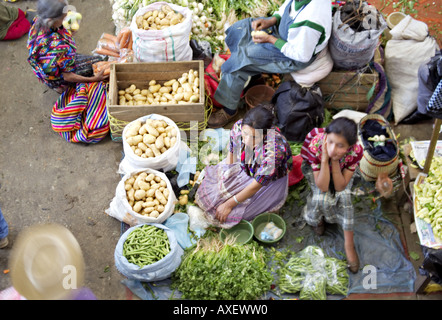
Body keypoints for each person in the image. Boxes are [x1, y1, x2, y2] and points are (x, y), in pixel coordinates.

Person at [207, 0, 332, 128]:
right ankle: (253, 79)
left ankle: (229, 111)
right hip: (284, 35)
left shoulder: (311, 19)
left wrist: (270, 39)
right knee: (242, 28)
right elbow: (287, 8)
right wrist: (271, 20)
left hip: (291, 54)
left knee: (237, 65)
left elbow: (301, 55)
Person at [195, 104, 292, 229]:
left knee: (230, 214)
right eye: (245, 134)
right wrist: (227, 174)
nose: (246, 140)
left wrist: (229, 204)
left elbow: (256, 185)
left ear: (265, 135)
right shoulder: (238, 127)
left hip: (267, 181)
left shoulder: (274, 152)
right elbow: (232, 154)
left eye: (254, 137)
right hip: (246, 164)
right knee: (215, 190)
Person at [300, 117, 363, 273]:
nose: (333, 149)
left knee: (345, 198)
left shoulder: (355, 151)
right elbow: (321, 185)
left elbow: (341, 186)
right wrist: (324, 160)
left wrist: (334, 161)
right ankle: (318, 221)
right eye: (331, 142)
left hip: (341, 172)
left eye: (340, 146)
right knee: (321, 198)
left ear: (350, 146)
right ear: (326, 137)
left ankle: (349, 245)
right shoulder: (317, 145)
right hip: (319, 173)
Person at [27, 0, 108, 93]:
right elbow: (68, 76)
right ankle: (60, 86)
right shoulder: (60, 47)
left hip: (42, 66)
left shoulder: (38, 20)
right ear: (51, 21)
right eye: (63, 18)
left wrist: (67, 31)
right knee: (97, 61)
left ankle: (56, 85)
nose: (66, 17)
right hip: (57, 75)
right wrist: (94, 79)